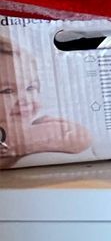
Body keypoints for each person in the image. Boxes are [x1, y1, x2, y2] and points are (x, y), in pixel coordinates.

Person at [0, 36, 92, 168]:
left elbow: (82, 137)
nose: (25, 100)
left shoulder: (40, 123)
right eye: (7, 91)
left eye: (31, 88)